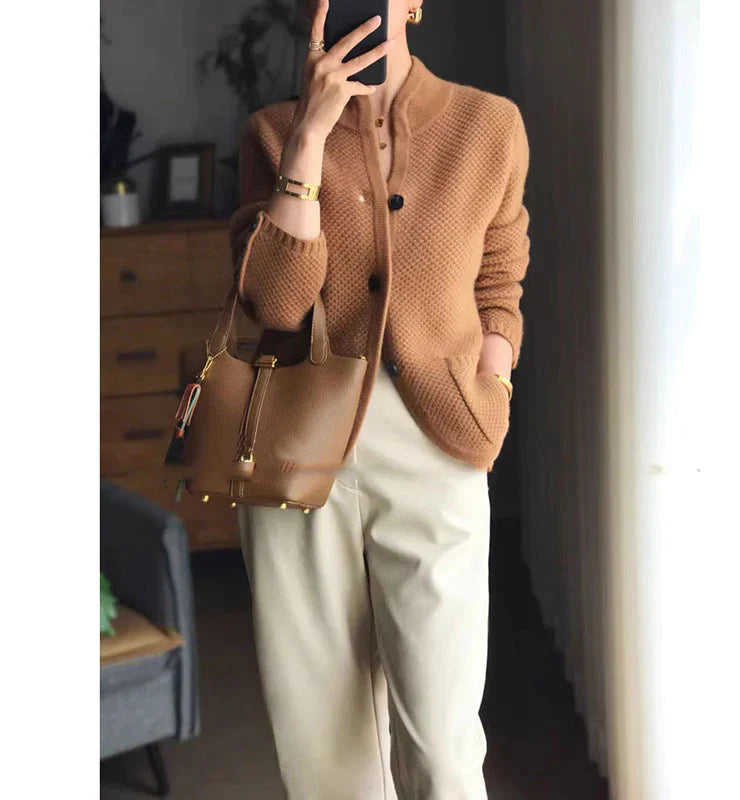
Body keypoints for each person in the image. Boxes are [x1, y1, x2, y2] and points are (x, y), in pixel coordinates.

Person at [230, 1, 530, 797]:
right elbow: (278, 303)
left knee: (442, 742)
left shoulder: (487, 125)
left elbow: (501, 277)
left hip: (438, 436)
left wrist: (493, 381)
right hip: (299, 448)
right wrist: (309, 137)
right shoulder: (272, 132)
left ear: (414, 4)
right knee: (322, 748)